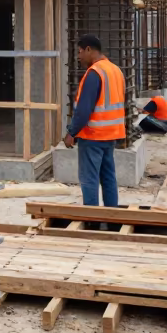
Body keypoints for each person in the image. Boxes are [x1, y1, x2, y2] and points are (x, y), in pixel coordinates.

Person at [63, 33, 126, 209]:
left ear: (89, 49)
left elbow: (84, 110)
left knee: (89, 179)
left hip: (93, 136)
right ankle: (112, 216)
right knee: (108, 177)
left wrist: (71, 133)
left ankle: (92, 219)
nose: (79, 56)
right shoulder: (115, 70)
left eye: (80, 51)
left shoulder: (94, 73)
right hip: (111, 134)